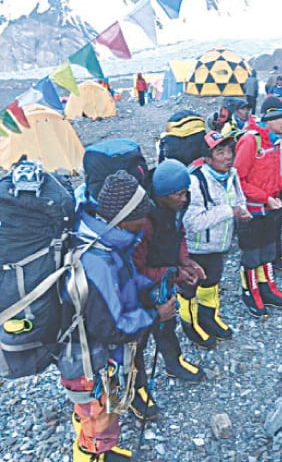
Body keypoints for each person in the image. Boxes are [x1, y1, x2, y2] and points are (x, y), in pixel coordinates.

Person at [60, 170, 175, 462]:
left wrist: (149, 289)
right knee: (98, 417)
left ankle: (94, 445)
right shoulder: (98, 261)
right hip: (88, 359)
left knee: (91, 412)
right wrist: (154, 315)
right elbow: (110, 328)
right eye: (142, 215)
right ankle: (92, 455)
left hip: (88, 354)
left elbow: (125, 282)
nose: (146, 221)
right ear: (125, 217)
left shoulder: (106, 240)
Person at [133, 159, 207, 386]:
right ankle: (137, 387)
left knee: (167, 324)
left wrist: (184, 260)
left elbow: (179, 233)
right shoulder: (143, 221)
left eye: (186, 193)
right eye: (178, 194)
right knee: (138, 339)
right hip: (139, 289)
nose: (184, 199)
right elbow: (136, 271)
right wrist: (174, 274)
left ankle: (174, 363)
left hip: (163, 279)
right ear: (162, 194)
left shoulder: (175, 207)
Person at [181, 132, 250, 346]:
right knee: (189, 289)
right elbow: (192, 222)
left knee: (212, 283)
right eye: (220, 152)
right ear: (207, 159)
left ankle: (209, 318)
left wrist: (243, 210)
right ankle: (191, 327)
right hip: (196, 249)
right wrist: (230, 211)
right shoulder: (196, 181)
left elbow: (240, 199)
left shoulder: (232, 174)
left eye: (229, 151)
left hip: (219, 245)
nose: (228, 157)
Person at [234, 97, 282, 318]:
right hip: (252, 210)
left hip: (271, 206)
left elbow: (272, 173)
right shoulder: (251, 141)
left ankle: (267, 286)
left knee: (268, 249)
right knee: (251, 253)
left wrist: (279, 190)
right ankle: (250, 291)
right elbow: (238, 179)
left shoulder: (274, 140)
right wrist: (264, 197)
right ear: (270, 118)